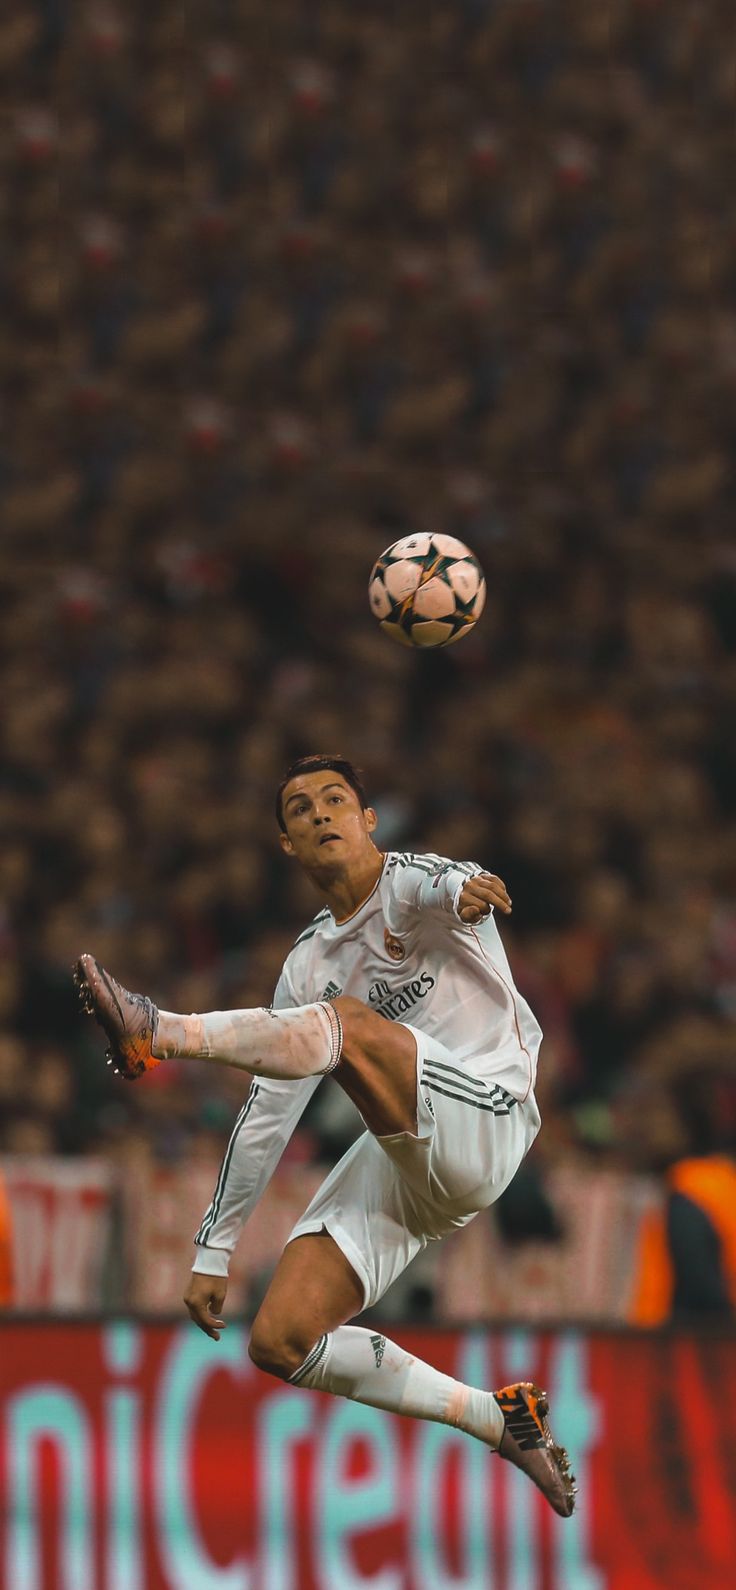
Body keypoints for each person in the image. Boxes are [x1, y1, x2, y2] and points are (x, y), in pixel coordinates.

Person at [74, 752, 576, 1517]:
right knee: (281, 1340)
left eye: (335, 799)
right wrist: (214, 1250)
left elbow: (445, 880)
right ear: (288, 844)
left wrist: (467, 889)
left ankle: (159, 1031)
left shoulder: (410, 883)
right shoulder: (310, 962)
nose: (319, 814)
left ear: (367, 820)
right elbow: (266, 1116)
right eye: (300, 809)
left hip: (490, 1114)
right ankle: (497, 1418)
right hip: (410, 1155)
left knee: (348, 1025)